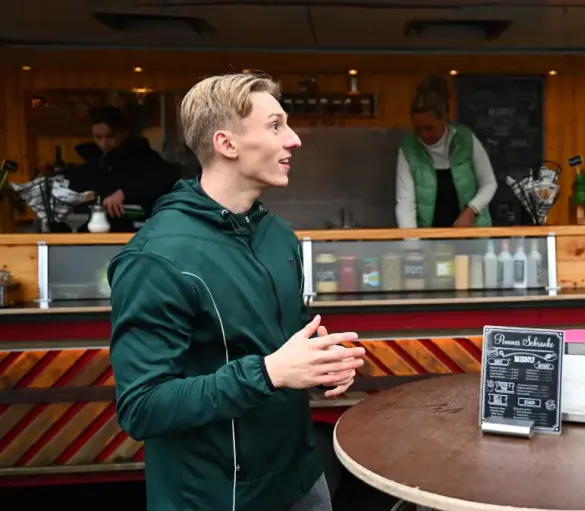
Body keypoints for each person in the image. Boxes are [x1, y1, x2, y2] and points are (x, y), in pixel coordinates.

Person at [107, 72, 366, 511]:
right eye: (275, 126)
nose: (294, 140)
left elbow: (281, 339)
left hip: (301, 480)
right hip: (215, 496)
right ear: (227, 144)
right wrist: (268, 373)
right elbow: (142, 406)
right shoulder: (156, 258)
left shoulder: (278, 236)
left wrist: (321, 360)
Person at [395, 76, 497, 228]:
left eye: (429, 128)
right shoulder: (408, 149)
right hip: (431, 239)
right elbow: (405, 204)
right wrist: (413, 247)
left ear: (444, 119)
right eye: (418, 129)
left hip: (472, 236)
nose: (423, 134)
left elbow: (489, 184)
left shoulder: (465, 139)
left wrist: (471, 211)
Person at [66, 106, 180, 231]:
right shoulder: (90, 162)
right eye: (98, 137)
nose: (104, 143)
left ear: (124, 133)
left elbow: (166, 178)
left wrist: (125, 193)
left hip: (138, 231)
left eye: (110, 137)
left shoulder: (145, 158)